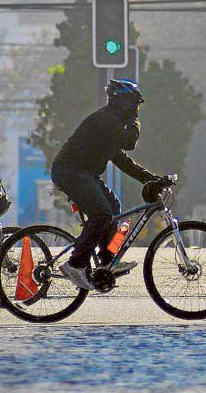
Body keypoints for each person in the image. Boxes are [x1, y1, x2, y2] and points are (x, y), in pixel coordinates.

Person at [52, 79, 169, 290]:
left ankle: (108, 260)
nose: (136, 110)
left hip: (85, 173)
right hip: (70, 172)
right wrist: (135, 121)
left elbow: (123, 160)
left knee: (114, 209)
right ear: (122, 102)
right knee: (102, 215)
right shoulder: (105, 120)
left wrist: (151, 179)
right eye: (135, 105)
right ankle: (75, 263)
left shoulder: (110, 126)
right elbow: (129, 143)